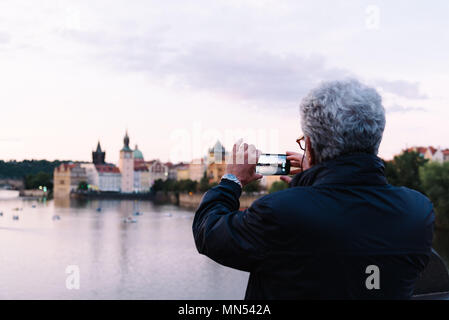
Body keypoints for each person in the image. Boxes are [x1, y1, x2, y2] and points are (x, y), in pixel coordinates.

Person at [192, 79, 434, 299]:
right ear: (375, 137)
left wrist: (232, 180)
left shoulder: (280, 213)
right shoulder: (417, 212)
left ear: (308, 144)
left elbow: (209, 234)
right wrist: (311, 180)